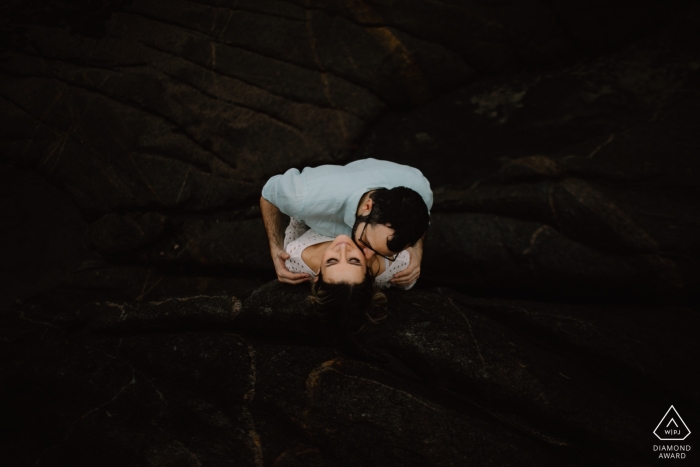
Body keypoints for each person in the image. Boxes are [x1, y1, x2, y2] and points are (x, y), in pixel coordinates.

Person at [260, 158, 432, 287]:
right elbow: (268, 195)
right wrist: (276, 249)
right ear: (367, 206)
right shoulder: (302, 198)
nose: (366, 256)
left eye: (383, 253)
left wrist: (417, 252)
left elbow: (420, 224)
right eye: (366, 243)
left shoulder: (420, 191)